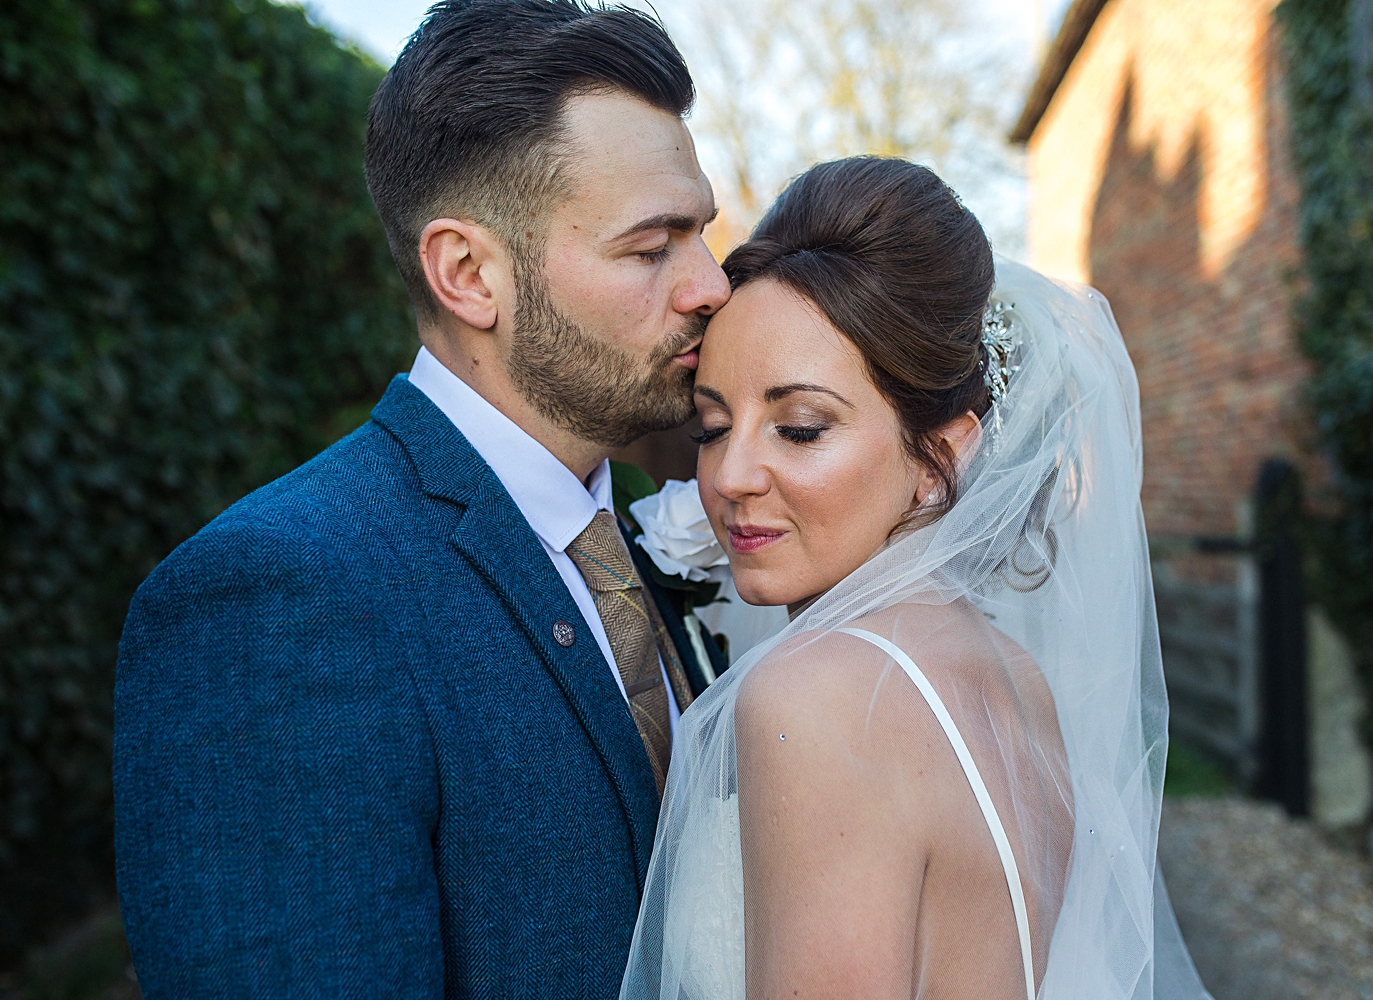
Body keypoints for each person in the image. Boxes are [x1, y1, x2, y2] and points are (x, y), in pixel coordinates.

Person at [112, 2, 729, 995]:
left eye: (702, 234)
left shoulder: (662, 539)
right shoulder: (282, 593)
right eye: (652, 246)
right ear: (468, 272)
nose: (710, 284)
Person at [619, 157, 1212, 999]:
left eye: (798, 427)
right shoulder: (1016, 677)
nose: (730, 476)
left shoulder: (817, 695)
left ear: (943, 452)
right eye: (714, 426)